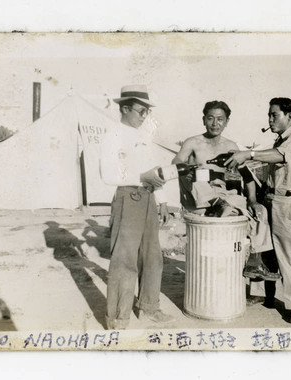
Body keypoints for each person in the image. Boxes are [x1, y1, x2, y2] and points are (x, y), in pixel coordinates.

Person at [172, 100, 280, 281]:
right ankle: (217, 204)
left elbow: (247, 176)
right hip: (197, 195)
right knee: (193, 172)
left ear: (227, 121)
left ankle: (254, 261)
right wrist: (191, 168)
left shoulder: (230, 147)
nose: (215, 123)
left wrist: (253, 201)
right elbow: (176, 163)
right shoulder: (193, 142)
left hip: (222, 196)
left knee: (259, 213)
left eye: (220, 119)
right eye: (210, 118)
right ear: (204, 120)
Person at [226, 97, 291, 324]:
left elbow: (280, 156)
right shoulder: (279, 141)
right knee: (264, 249)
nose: (270, 119)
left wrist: (248, 154)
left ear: (289, 117)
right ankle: (264, 296)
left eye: (275, 115)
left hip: (287, 203)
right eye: (269, 115)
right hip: (271, 200)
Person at [99, 84, 174, 330]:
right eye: (141, 111)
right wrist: (142, 177)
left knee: (153, 256)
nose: (144, 116)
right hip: (127, 197)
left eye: (146, 112)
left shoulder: (143, 137)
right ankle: (118, 318)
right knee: (124, 260)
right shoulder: (113, 134)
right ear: (125, 108)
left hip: (148, 197)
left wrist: (161, 200)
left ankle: (149, 308)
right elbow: (108, 174)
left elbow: (153, 170)